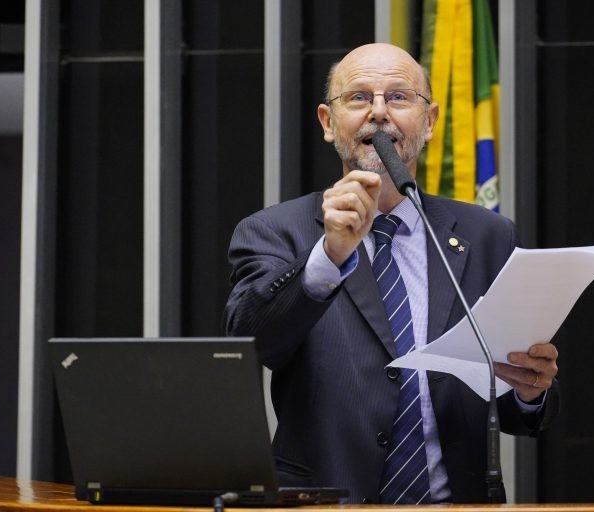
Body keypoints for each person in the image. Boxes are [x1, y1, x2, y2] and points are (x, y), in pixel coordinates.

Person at [224, 43, 560, 504]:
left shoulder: (487, 235)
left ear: (430, 121)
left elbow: (515, 410)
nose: (379, 113)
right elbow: (253, 342)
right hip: (324, 505)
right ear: (327, 122)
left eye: (399, 98)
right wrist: (328, 256)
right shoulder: (273, 231)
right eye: (359, 97)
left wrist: (529, 391)